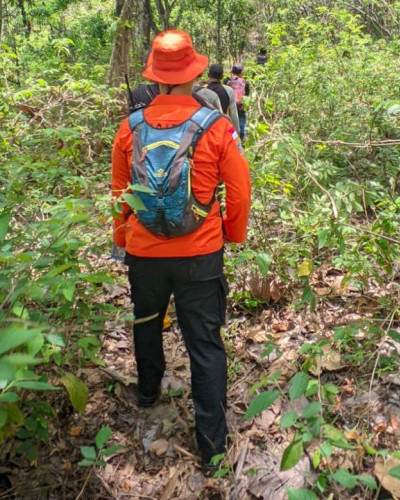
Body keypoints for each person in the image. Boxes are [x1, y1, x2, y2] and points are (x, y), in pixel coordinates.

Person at [111, 30, 251, 475]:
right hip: (200, 255)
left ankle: (149, 392)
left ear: (154, 79)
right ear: (193, 75)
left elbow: (120, 194)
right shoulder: (217, 127)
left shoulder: (129, 128)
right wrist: (232, 232)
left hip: (144, 253)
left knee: (147, 323)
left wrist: (122, 239)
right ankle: (212, 446)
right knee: (205, 344)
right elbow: (241, 190)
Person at [205, 63, 240, 133]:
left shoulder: (202, 89)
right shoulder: (229, 90)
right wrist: (236, 130)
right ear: (222, 77)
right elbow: (233, 113)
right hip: (223, 128)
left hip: (206, 129)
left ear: (208, 75)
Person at [224, 63, 250, 143]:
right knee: (242, 121)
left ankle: (233, 139)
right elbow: (246, 95)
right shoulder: (245, 82)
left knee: (231, 123)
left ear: (232, 71)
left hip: (229, 107)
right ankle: (242, 140)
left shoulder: (227, 81)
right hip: (240, 106)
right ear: (241, 72)